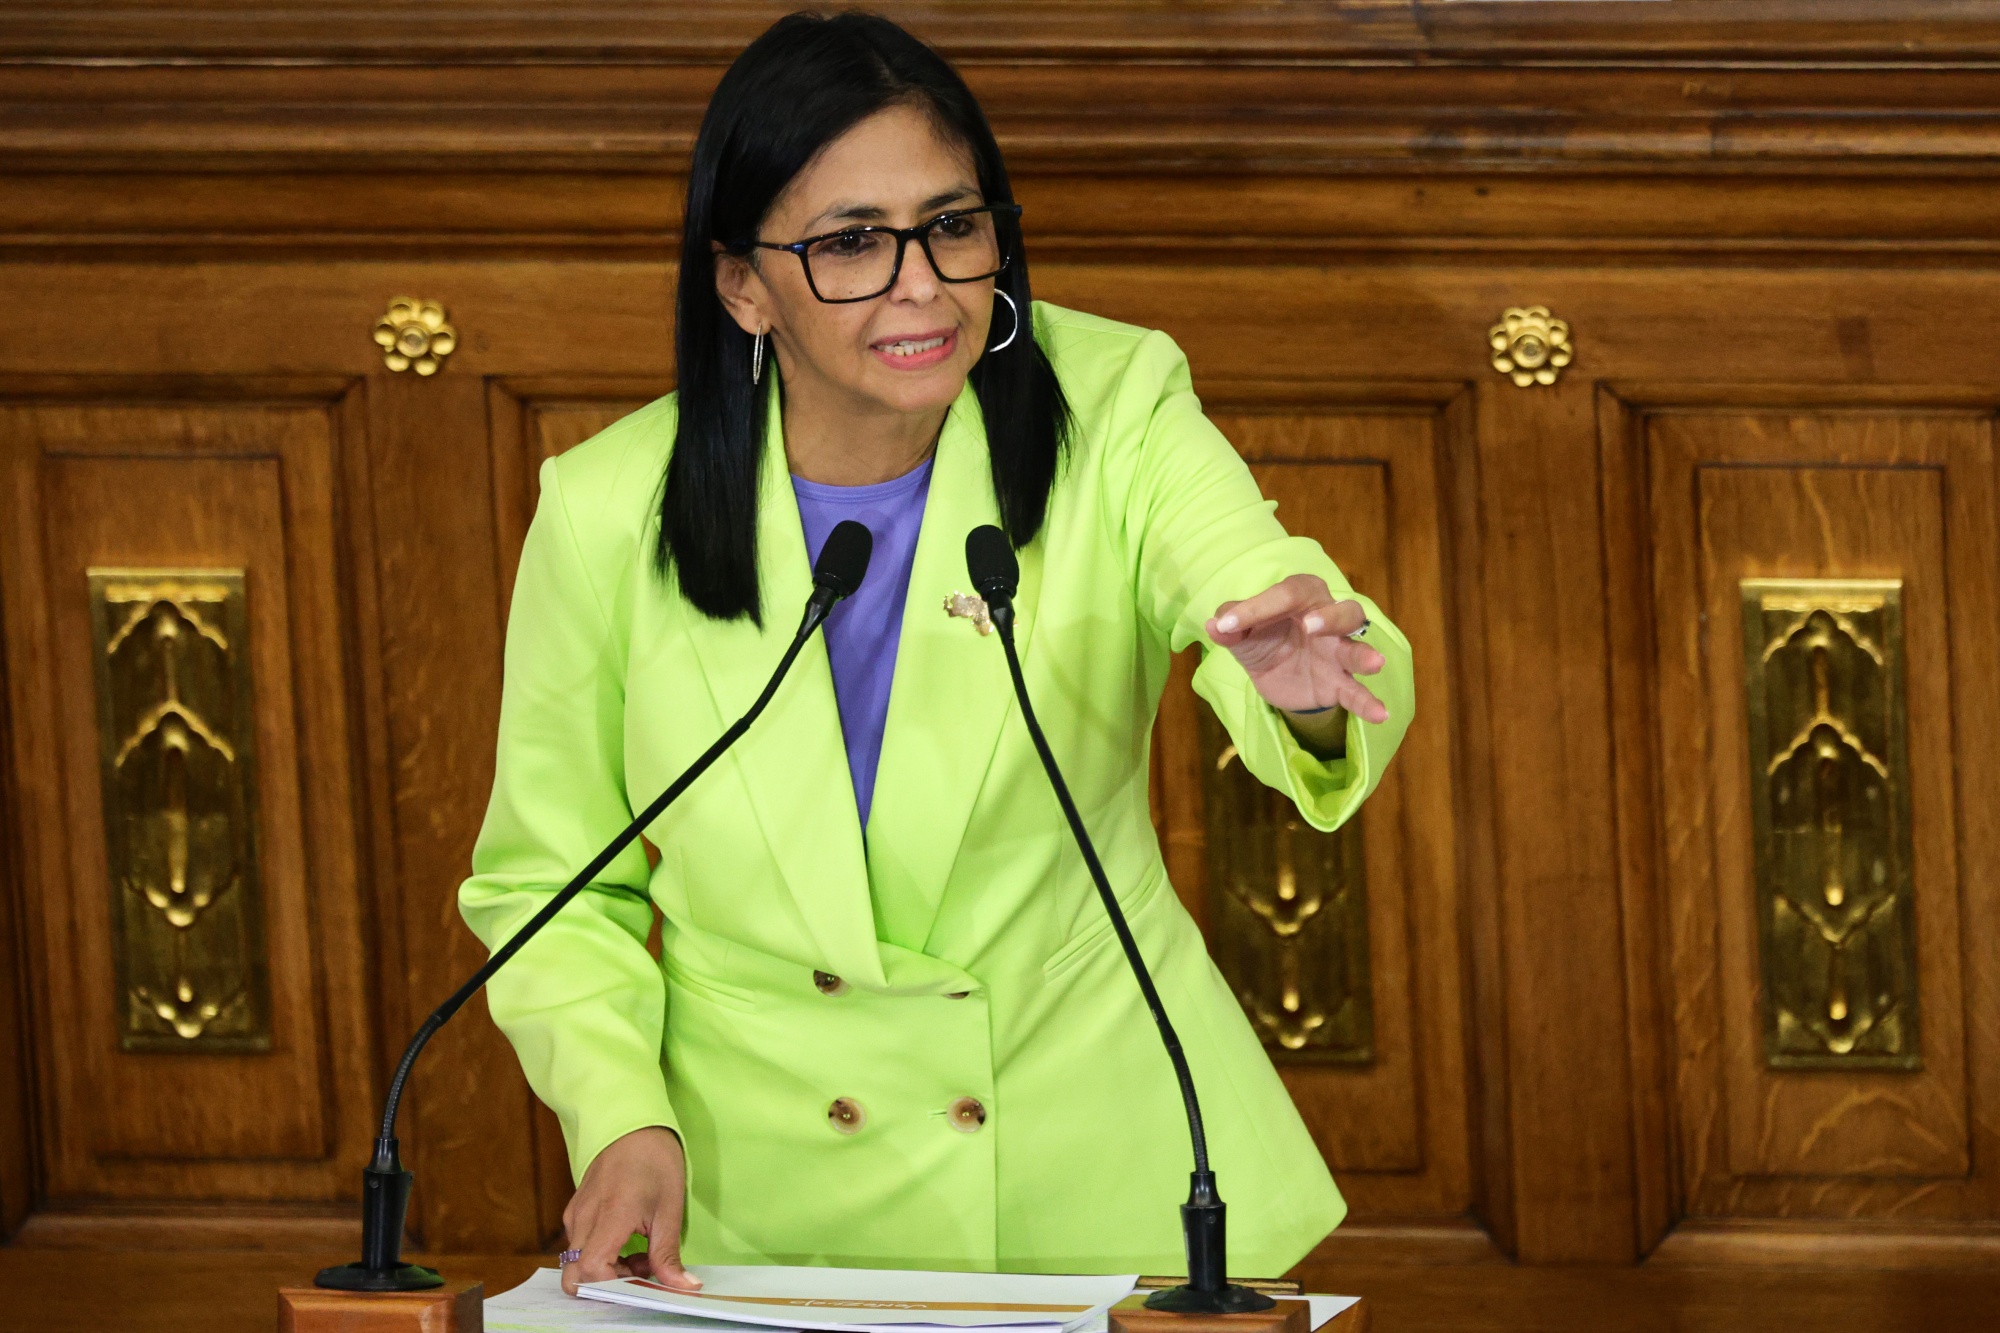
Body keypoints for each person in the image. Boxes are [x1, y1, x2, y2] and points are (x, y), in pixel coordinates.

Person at [459, 9, 1413, 1298]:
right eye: (852, 242)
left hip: (1096, 1187)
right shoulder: (605, 507)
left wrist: (1298, 687)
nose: (921, 284)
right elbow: (549, 887)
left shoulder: (1116, 405)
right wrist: (623, 1113)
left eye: (953, 227)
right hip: (757, 1208)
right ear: (742, 283)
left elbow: (1267, 602)